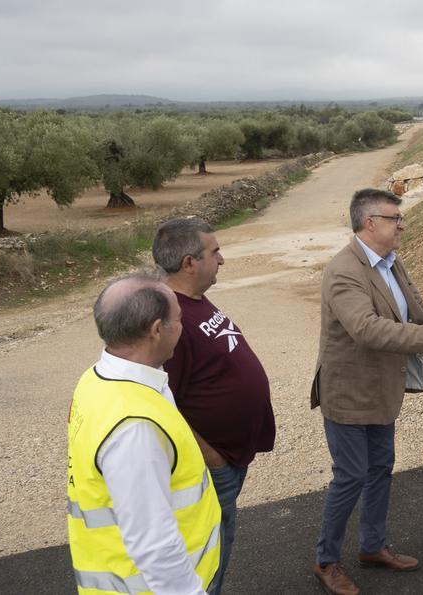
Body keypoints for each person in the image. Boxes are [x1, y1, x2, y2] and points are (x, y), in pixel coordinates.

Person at [309, 189, 423, 595]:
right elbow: (367, 328)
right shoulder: (344, 270)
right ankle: (326, 560)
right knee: (350, 477)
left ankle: (371, 547)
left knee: (380, 469)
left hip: (381, 391)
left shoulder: (391, 262)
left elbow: (415, 311)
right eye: (395, 218)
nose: (403, 225)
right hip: (348, 394)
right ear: (370, 223)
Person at [67, 270, 221, 594]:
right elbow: (154, 543)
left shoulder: (96, 379)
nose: (183, 326)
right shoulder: (135, 428)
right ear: (155, 330)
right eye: (178, 320)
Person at [154, 217, 276, 595]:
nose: (222, 259)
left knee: (219, 549)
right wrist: (211, 457)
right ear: (189, 263)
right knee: (207, 558)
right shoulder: (168, 319)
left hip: (230, 458)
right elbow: (161, 403)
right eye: (215, 252)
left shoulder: (193, 301)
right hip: (212, 465)